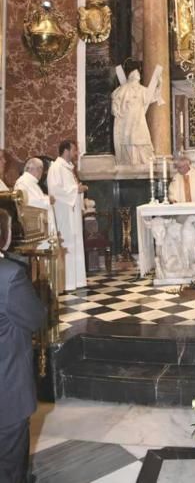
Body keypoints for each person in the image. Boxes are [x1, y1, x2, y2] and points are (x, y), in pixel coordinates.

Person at [0, 208, 46, 483]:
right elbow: (35, 317)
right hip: (6, 391)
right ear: (4, 238)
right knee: (10, 467)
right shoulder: (9, 275)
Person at [47, 140, 87, 291]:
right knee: (68, 243)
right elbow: (55, 190)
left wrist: (78, 190)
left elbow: (70, 188)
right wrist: (76, 190)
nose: (76, 153)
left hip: (72, 212)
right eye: (74, 150)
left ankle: (77, 280)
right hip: (64, 213)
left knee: (75, 243)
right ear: (66, 151)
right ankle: (68, 282)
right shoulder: (56, 168)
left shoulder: (67, 168)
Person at [111, 65, 164, 166]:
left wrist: (160, 84)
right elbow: (115, 98)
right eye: (134, 75)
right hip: (128, 117)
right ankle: (131, 159)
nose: (136, 77)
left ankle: (143, 158)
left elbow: (153, 97)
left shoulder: (141, 89)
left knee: (142, 136)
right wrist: (115, 109)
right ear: (130, 78)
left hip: (139, 117)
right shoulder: (124, 88)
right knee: (129, 137)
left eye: (138, 76)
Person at [14, 158, 56, 231]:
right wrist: (48, 200)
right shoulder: (23, 182)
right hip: (34, 226)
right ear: (32, 168)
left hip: (39, 224)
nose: (41, 172)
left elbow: (36, 198)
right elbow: (29, 201)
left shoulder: (30, 182)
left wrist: (45, 197)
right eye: (40, 168)